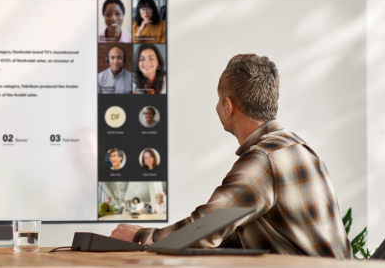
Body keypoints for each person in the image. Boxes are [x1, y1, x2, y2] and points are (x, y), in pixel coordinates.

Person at [111, 54, 352, 259]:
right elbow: (233, 231)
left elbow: (201, 232)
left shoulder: (264, 160)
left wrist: (139, 236)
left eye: (218, 99)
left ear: (228, 106)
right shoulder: (300, 148)